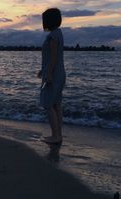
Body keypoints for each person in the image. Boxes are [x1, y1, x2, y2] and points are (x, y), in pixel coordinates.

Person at [38, 8, 66, 144]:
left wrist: (48, 73)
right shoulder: (58, 33)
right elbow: (52, 58)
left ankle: (56, 136)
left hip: (53, 74)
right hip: (59, 72)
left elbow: (53, 57)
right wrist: (42, 70)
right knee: (56, 105)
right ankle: (58, 135)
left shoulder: (53, 36)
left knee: (48, 105)